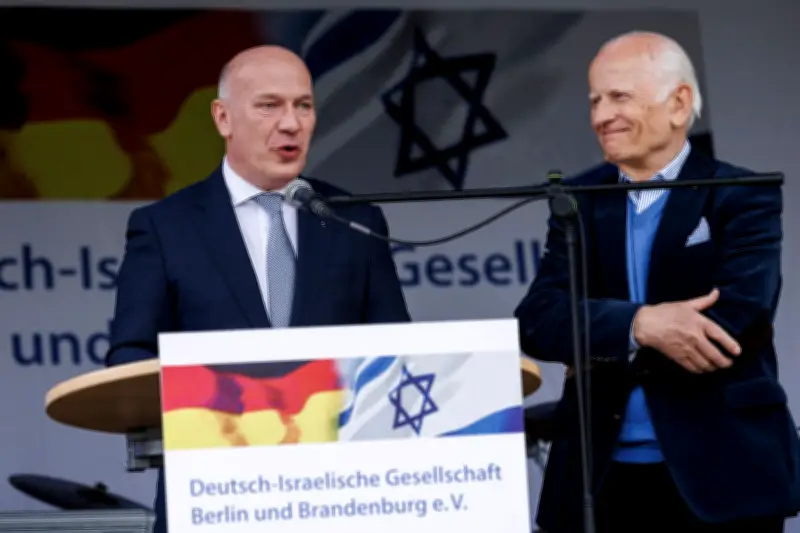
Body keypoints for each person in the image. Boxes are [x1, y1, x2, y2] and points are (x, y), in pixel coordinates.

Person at [105, 45, 410, 533]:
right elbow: (130, 356)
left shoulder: (353, 219)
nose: (291, 123)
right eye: (269, 105)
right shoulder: (165, 227)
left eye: (303, 106)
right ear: (223, 118)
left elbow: (398, 353)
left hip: (339, 494)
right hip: (215, 494)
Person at [515, 31, 800, 533]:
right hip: (601, 475)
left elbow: (734, 318)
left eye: (619, 97)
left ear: (679, 103)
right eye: (595, 101)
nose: (602, 116)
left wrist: (597, 340)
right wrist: (640, 324)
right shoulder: (579, 198)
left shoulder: (742, 193)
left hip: (724, 472)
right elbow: (538, 319)